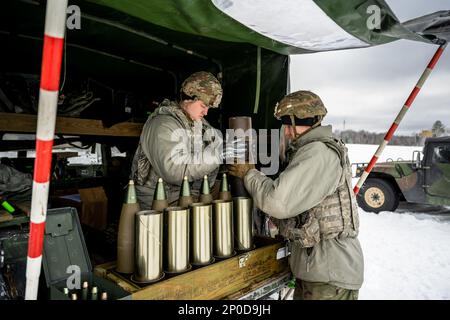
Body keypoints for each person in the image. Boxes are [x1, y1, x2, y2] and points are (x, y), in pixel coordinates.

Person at [228, 90, 364, 300]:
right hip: (318, 272)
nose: (287, 132)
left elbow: (277, 201)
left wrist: (249, 173)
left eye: (288, 123)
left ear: (302, 120)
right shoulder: (313, 150)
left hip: (328, 276)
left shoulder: (318, 154)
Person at [131, 71, 224, 209]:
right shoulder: (162, 125)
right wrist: (218, 155)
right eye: (203, 106)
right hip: (159, 205)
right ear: (188, 98)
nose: (206, 112)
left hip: (189, 200)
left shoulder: (201, 125)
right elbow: (175, 170)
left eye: (209, 108)